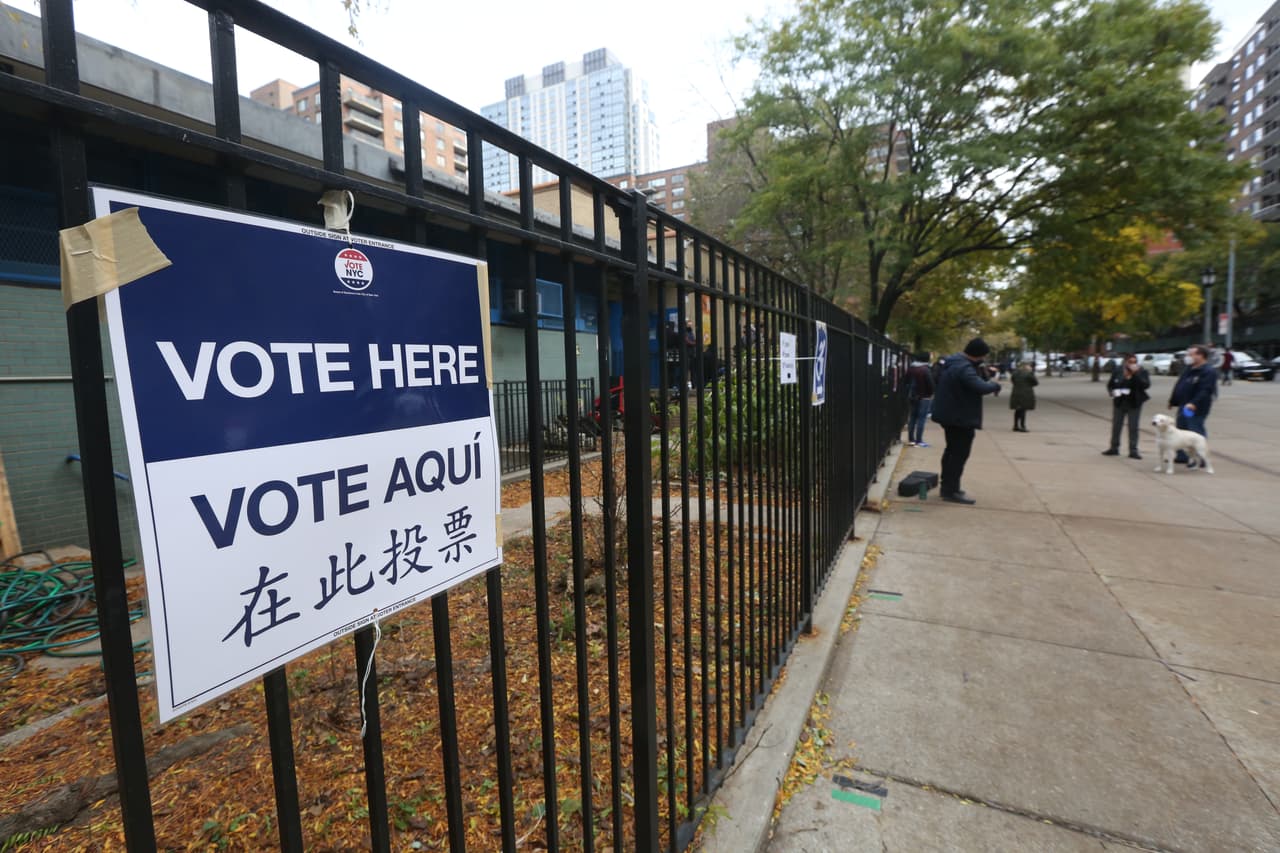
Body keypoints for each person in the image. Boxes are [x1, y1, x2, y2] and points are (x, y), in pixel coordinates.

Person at [930, 338, 1001, 504]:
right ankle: (950, 490)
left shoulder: (953, 363)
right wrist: (995, 385)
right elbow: (981, 387)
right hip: (959, 417)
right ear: (979, 355)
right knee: (958, 454)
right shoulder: (963, 367)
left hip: (951, 415)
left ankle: (948, 487)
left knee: (951, 452)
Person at [1167, 344, 1218, 466]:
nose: (1188, 357)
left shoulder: (1208, 371)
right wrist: (1173, 401)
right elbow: (1180, 385)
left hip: (1195, 407)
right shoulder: (1189, 369)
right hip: (1184, 405)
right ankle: (1182, 456)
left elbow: (1205, 390)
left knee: (1195, 431)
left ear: (1201, 355)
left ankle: (1201, 458)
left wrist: (1194, 403)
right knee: (1181, 429)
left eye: (1191, 354)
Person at [1102, 353, 1150, 459]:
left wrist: (1135, 374)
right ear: (1125, 362)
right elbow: (1110, 385)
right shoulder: (1118, 370)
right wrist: (1112, 392)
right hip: (1120, 402)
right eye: (1130, 362)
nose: (1132, 364)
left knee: (1133, 427)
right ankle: (1114, 447)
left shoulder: (1142, 371)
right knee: (1116, 426)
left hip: (1134, 403)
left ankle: (1133, 450)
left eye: (1134, 362)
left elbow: (1146, 385)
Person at [905, 352, 935, 447]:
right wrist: (931, 393)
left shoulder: (911, 368)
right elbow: (930, 384)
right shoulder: (926, 369)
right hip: (924, 397)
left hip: (912, 397)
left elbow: (906, 381)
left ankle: (911, 439)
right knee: (921, 419)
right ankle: (919, 440)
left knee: (912, 417)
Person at [1009, 362, 1038, 431]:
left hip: (1016, 392)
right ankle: (1022, 426)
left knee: (1017, 409)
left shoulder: (1015, 373)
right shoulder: (1029, 373)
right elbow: (1035, 382)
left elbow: (1013, 380)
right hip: (1026, 393)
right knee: (1023, 409)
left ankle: (1015, 425)